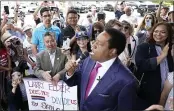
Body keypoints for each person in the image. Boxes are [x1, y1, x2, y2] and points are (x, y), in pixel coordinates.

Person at [64, 28, 143, 110]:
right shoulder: (88, 60)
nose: (93, 45)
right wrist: (70, 73)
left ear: (112, 51)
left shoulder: (127, 82)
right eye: (95, 41)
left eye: (99, 44)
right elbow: (77, 81)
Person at [135, 22, 174, 107]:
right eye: (156, 31)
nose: (158, 34)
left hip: (168, 94)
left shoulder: (171, 49)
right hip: (148, 94)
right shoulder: (144, 47)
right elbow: (141, 66)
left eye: (163, 32)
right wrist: (162, 56)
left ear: (168, 34)